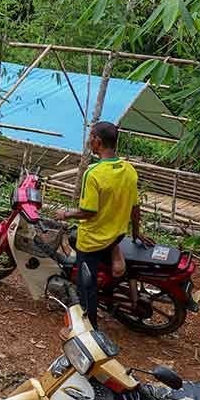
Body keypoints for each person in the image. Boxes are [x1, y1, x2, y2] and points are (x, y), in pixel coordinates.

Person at [55, 121, 150, 328]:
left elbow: (88, 212)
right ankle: (115, 259)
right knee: (80, 241)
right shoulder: (128, 169)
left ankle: (90, 327)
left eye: (91, 137)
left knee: (85, 286)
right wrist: (136, 232)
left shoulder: (94, 172)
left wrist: (65, 213)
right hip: (116, 235)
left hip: (93, 240)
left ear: (97, 141)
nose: (89, 141)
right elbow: (135, 207)